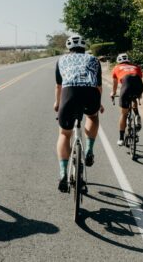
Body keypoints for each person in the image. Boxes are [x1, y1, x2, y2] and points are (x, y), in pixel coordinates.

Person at [54, 33, 104, 193]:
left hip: (69, 94)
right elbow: (98, 86)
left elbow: (59, 86)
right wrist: (99, 103)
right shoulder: (93, 60)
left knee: (64, 134)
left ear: (68, 48)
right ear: (84, 47)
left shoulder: (61, 60)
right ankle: (89, 150)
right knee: (93, 117)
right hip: (90, 94)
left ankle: (63, 173)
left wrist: (57, 103)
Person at [110, 53, 143, 146]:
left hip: (127, 84)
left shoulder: (116, 68)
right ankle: (137, 115)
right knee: (134, 97)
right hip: (138, 85)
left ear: (118, 61)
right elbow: (139, 79)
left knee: (124, 114)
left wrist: (113, 93)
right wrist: (139, 94)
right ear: (128, 60)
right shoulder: (135, 67)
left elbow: (115, 84)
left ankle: (121, 138)